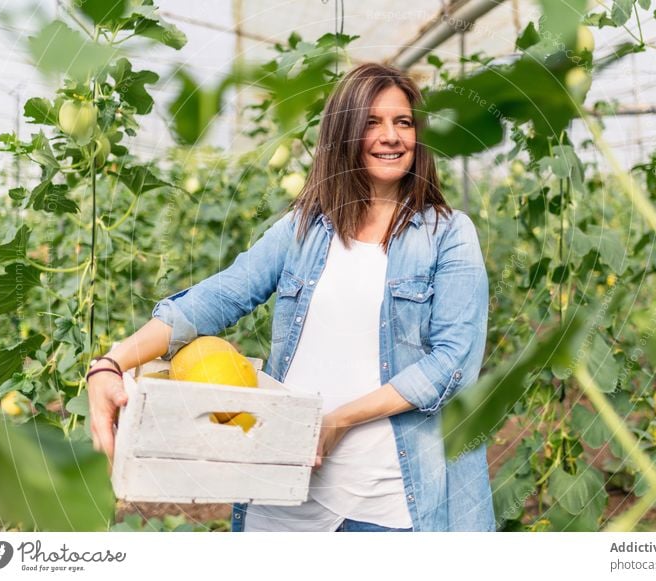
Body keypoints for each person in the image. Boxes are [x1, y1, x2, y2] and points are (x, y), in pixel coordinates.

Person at [87, 62, 494, 532]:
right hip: (284, 486)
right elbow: (221, 296)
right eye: (371, 122)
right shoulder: (304, 228)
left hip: (387, 499)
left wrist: (339, 419)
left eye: (403, 122)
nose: (391, 136)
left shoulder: (448, 234)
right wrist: (111, 362)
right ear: (343, 134)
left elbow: (453, 362)